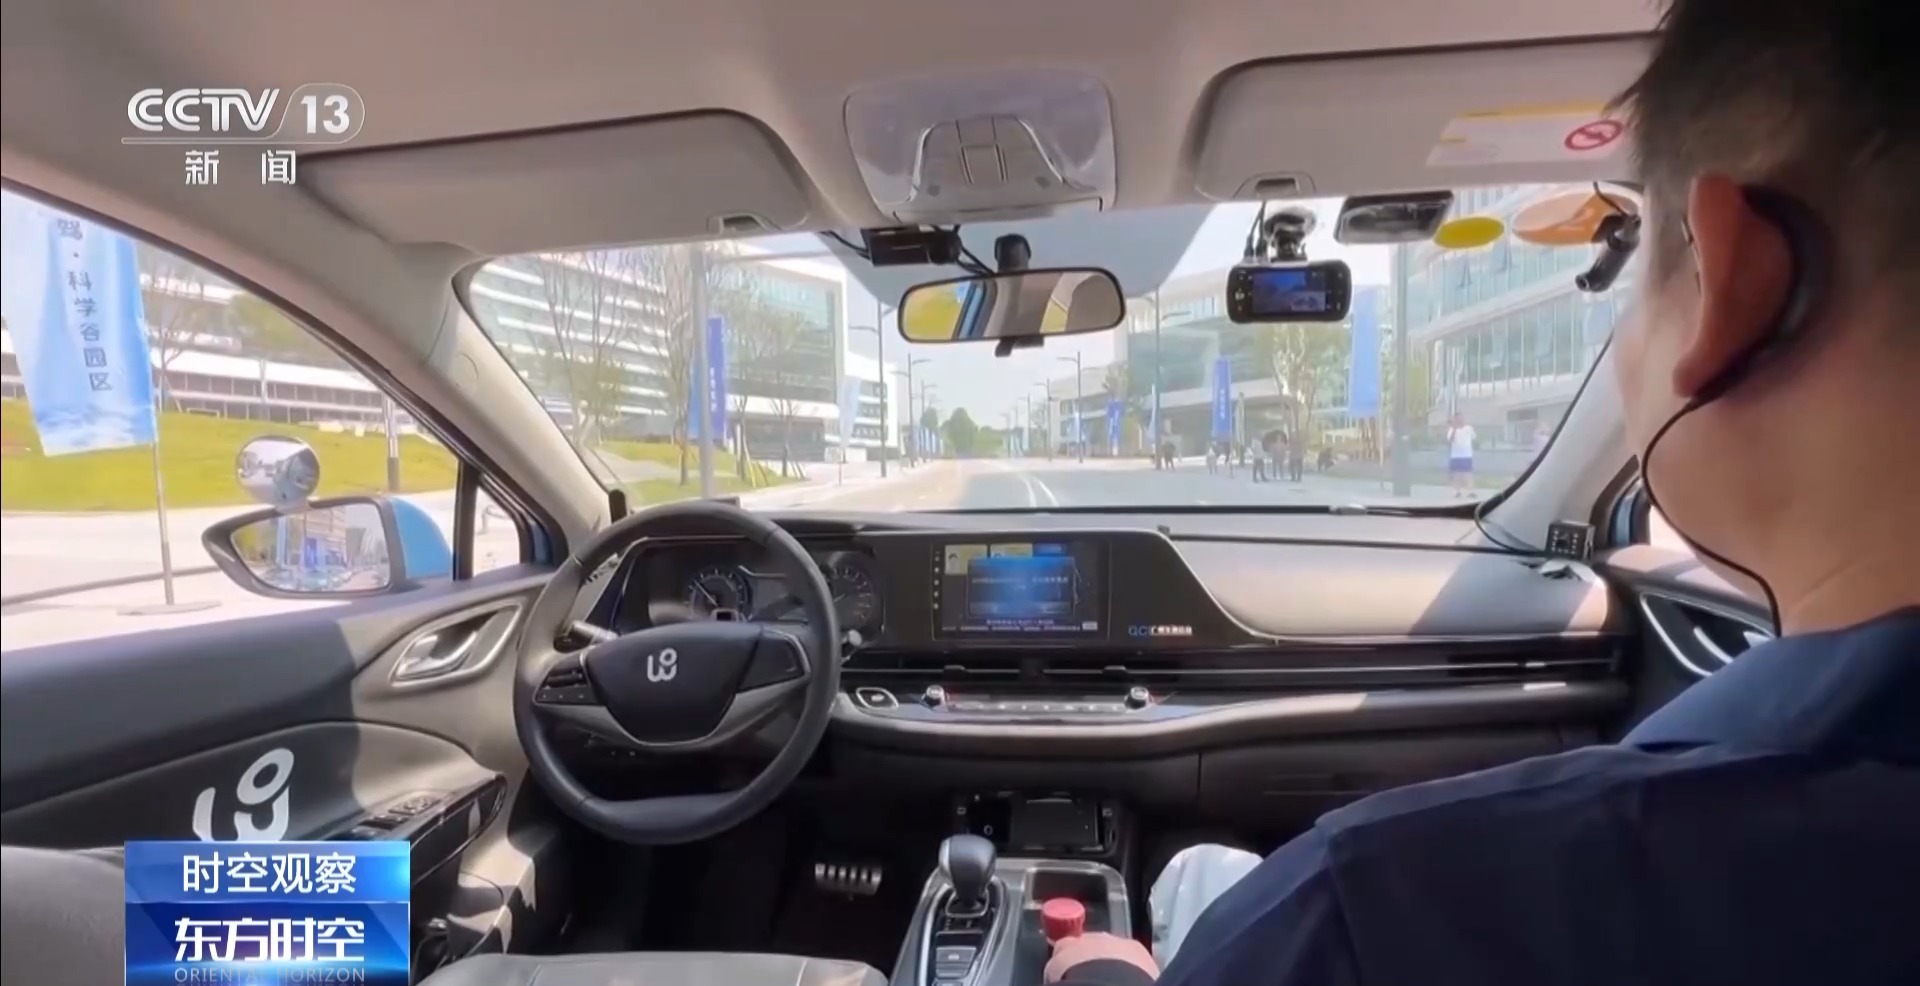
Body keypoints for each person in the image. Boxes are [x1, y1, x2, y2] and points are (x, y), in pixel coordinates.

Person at [1050, 1, 1920, 983]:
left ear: (1735, 279)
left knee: (1201, 878)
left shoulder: (1367, 921)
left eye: (1637, 263)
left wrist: (1100, 971)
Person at [1444, 411, 1475, 497]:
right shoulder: (1451, 430)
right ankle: (1456, 491)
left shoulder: (1469, 428)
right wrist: (1454, 429)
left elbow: (1473, 438)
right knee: (1456, 474)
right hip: (1456, 456)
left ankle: (1471, 491)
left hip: (1467, 455)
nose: (1459, 420)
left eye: (1460, 418)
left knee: (1468, 474)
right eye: (1457, 418)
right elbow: (1450, 440)